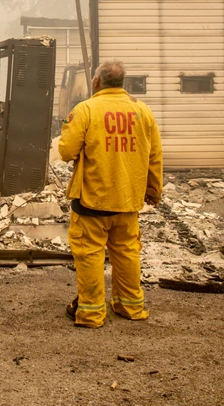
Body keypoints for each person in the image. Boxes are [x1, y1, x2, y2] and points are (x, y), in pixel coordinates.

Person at [58, 59, 163, 328]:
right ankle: (130, 307)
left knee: (90, 254)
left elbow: (66, 151)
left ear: (96, 82)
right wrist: (153, 190)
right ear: (122, 82)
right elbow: (155, 156)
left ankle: (91, 313)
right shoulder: (143, 112)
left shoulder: (85, 110)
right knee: (127, 253)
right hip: (127, 202)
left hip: (92, 201)